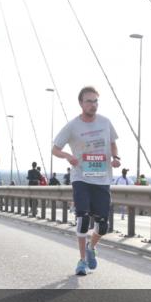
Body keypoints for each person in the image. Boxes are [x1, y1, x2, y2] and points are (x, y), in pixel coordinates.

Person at [52, 86, 121, 277]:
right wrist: (67, 156)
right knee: (82, 220)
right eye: (89, 101)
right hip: (81, 177)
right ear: (81, 103)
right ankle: (82, 261)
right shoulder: (72, 126)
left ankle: (92, 246)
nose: (93, 105)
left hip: (102, 179)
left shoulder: (106, 122)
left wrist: (116, 158)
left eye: (96, 101)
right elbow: (55, 148)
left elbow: (113, 143)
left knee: (103, 225)